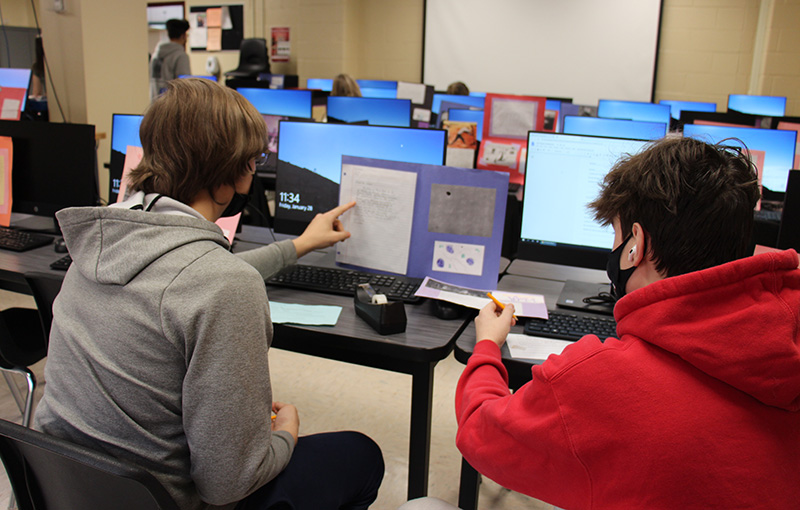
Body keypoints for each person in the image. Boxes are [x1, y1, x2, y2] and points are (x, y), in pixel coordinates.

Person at [34, 78, 384, 510]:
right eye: (253, 161)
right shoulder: (222, 285)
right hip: (172, 501)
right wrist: (285, 434)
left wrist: (299, 246)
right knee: (362, 456)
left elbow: (189, 278)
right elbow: (230, 482)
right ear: (233, 173)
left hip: (69, 491)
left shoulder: (98, 243)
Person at [455, 136, 800, 508]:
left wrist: (487, 345)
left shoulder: (598, 380)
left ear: (637, 244)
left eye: (616, 234)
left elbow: (480, 432)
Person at [150, 18, 192, 101]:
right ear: (183, 36)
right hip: (171, 106)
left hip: (154, 103)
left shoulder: (156, 54)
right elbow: (186, 86)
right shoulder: (180, 56)